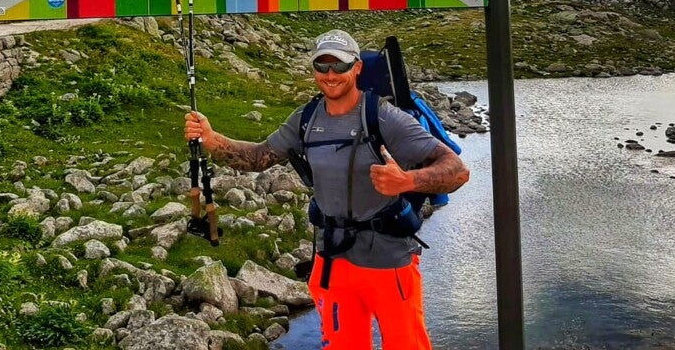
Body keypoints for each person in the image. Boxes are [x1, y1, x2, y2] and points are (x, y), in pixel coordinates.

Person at [184, 29, 470, 350]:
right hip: (333, 262)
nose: (330, 75)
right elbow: (257, 158)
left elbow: (457, 170)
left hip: (389, 262)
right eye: (322, 66)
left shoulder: (384, 117)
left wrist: (409, 181)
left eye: (340, 66)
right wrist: (210, 138)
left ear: (357, 68)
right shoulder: (305, 119)